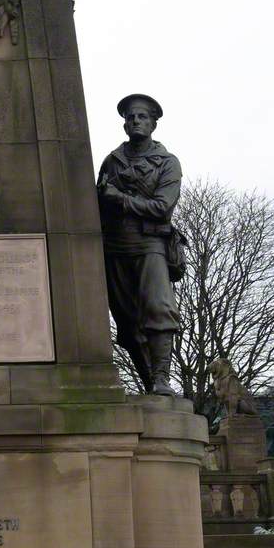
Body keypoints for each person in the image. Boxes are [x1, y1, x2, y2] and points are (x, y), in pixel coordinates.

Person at [97, 93, 181, 397]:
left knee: (158, 309)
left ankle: (162, 378)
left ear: (153, 123)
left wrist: (120, 198)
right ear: (124, 124)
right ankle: (149, 382)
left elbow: (161, 207)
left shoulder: (167, 163)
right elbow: (98, 202)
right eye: (130, 117)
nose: (135, 121)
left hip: (150, 244)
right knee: (126, 321)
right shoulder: (112, 161)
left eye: (142, 116)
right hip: (114, 246)